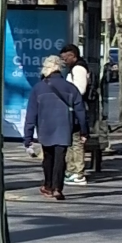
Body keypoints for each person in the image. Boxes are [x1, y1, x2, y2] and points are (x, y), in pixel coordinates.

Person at [23, 54, 88, 200]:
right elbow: (81, 111)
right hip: (65, 127)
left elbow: (31, 115)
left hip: (45, 127)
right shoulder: (71, 88)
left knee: (48, 157)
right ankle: (58, 187)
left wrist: (27, 138)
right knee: (60, 157)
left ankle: (48, 185)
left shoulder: (38, 88)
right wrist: (84, 131)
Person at [59, 43, 91, 184]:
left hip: (76, 108)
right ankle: (73, 170)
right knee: (72, 140)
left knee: (76, 141)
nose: (64, 62)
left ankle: (78, 173)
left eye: (65, 59)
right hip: (74, 107)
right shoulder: (77, 68)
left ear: (72, 55)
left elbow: (80, 89)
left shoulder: (78, 69)